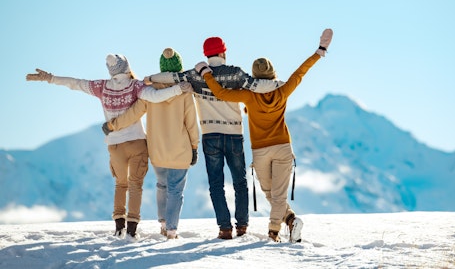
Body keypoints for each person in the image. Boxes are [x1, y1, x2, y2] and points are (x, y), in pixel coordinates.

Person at [26, 54, 193, 238]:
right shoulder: (136, 86)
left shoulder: (102, 87)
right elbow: (156, 96)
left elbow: (76, 83)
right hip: (137, 142)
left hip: (115, 145)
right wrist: (178, 89)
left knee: (121, 185)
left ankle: (119, 226)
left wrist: (50, 78)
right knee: (136, 185)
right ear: (127, 66)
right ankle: (132, 230)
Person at [195, 28, 333, 242]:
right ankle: (291, 220)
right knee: (275, 195)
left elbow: (221, 93)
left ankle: (274, 232)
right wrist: (320, 51)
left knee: (272, 194)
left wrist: (206, 74)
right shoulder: (283, 90)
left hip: (260, 152)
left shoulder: (249, 96)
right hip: (283, 148)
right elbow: (300, 72)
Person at [144, 37, 281, 239]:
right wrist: (281, 84)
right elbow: (258, 85)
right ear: (223, 52)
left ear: (206, 55)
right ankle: (242, 226)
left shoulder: (194, 75)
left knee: (216, 185)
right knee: (240, 182)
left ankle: (224, 228)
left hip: (210, 136)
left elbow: (170, 77)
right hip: (234, 135)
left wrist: (149, 78)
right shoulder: (235, 73)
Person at [102, 48, 199, 240]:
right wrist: (194, 147)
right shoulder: (185, 92)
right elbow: (191, 123)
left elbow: (133, 114)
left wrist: (113, 125)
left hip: (156, 151)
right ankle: (171, 230)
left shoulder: (150, 91)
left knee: (162, 186)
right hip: (180, 150)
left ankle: (163, 225)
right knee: (175, 190)